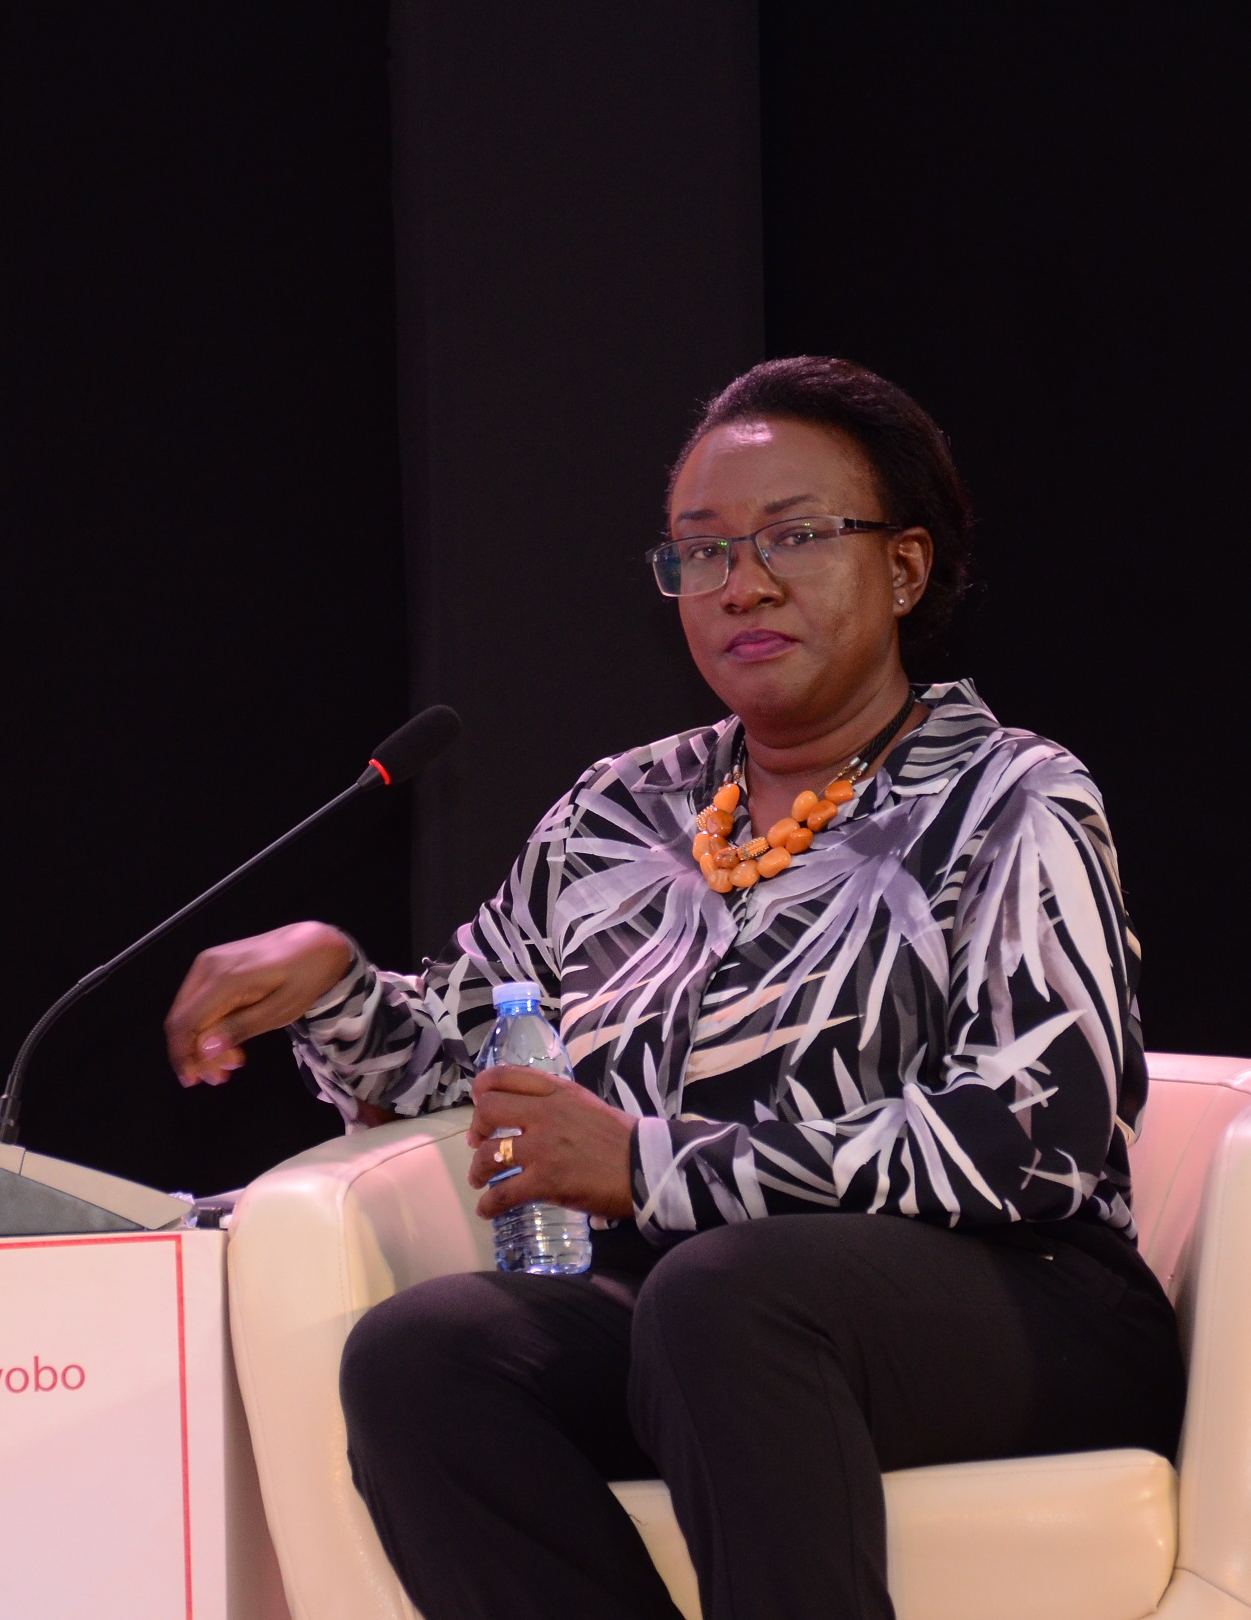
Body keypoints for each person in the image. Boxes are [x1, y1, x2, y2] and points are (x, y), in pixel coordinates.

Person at [163, 356, 1184, 1620]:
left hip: (1022, 1300)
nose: (742, 582)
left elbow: (1036, 1139)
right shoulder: (620, 811)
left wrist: (652, 1167)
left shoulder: (1015, 796)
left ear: (904, 567)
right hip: (699, 1321)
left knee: (723, 1292)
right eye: (701, 551)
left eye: (794, 536)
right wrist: (333, 985)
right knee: (427, 1354)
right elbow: (468, 1065)